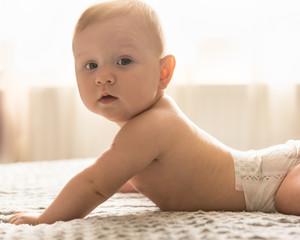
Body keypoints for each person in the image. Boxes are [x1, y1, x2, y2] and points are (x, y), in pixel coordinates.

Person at [8, 0, 300, 225]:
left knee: (291, 198)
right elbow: (155, 169)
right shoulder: (149, 124)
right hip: (272, 170)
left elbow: (94, 184)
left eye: (123, 61)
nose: (103, 77)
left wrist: (45, 219)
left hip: (274, 180)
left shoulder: (154, 125)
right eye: (90, 65)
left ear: (163, 72)